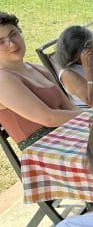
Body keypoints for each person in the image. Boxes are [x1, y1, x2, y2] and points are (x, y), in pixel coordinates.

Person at [0, 12, 80, 150]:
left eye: (13, 34)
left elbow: (70, 107)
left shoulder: (38, 69)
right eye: (1, 41)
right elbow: (48, 118)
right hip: (45, 153)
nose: (12, 44)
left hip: (72, 136)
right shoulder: (2, 79)